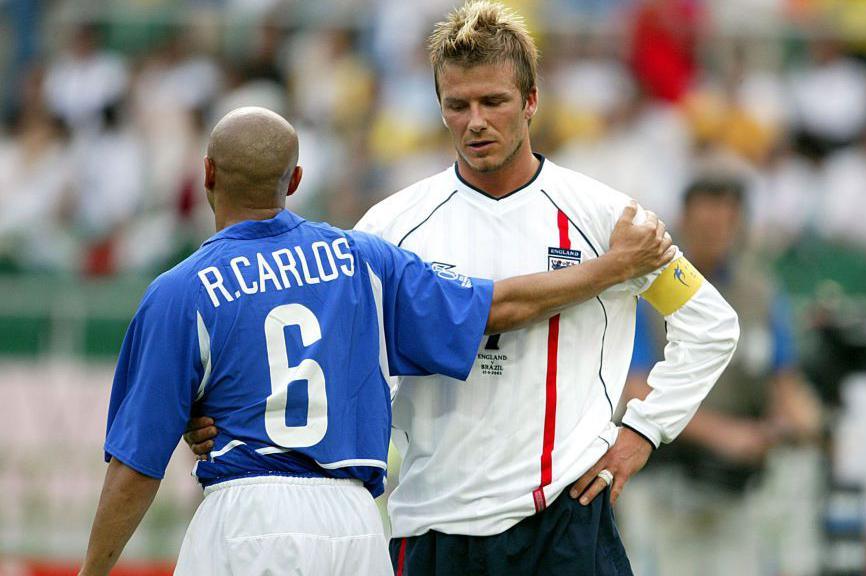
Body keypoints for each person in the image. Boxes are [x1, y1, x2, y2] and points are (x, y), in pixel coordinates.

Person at [189, 3, 739, 574]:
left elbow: (711, 326)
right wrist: (215, 414)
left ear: (530, 102)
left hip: (564, 520)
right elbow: (316, 349)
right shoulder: (391, 227)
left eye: (493, 102)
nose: (476, 121)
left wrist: (642, 434)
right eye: (458, 105)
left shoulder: (606, 219)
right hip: (433, 523)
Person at [78, 106, 675, 576]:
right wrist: (610, 268)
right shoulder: (362, 259)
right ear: (297, 179)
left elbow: (135, 466)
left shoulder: (179, 292)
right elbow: (497, 306)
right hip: (354, 523)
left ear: (206, 174)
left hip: (246, 512)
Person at [618, 175, 822, 575]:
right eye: (706, 216)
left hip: (734, 482)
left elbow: (785, 382)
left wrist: (803, 422)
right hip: (660, 467)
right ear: (685, 220)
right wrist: (724, 434)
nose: (716, 227)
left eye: (726, 217)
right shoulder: (650, 284)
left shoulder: (761, 291)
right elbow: (636, 389)